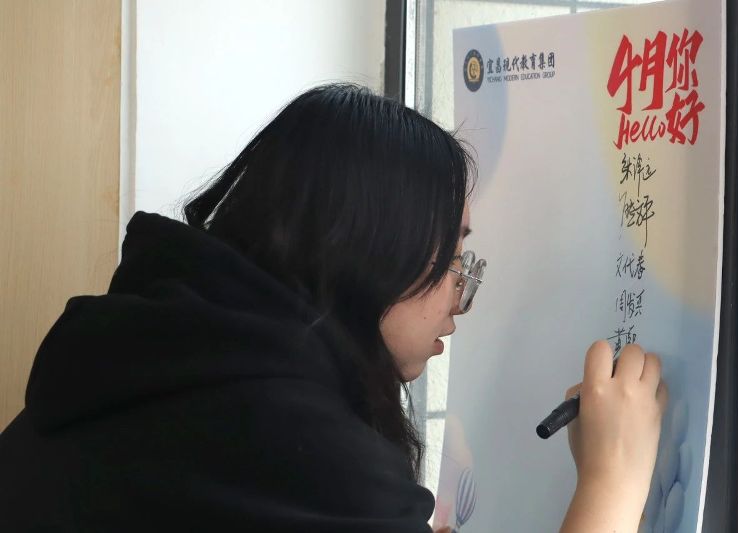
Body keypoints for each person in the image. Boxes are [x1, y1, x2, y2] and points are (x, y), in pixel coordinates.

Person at [0, 84, 666, 532]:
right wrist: (611, 481)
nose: (459, 299)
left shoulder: (149, 351)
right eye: (451, 258)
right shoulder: (298, 449)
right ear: (369, 254)